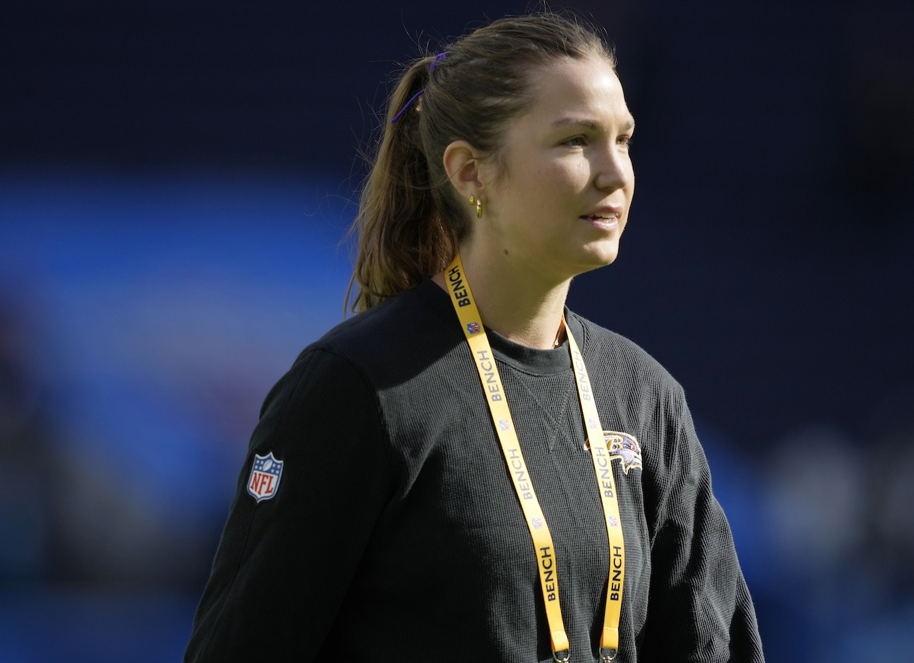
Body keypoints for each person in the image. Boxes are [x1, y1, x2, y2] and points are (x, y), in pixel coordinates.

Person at [184, 11, 765, 663]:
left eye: (622, 140)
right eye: (575, 140)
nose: (614, 173)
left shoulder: (644, 396)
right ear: (469, 173)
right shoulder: (360, 387)